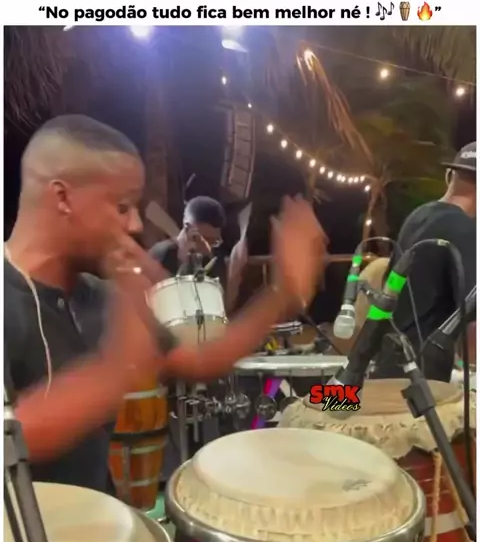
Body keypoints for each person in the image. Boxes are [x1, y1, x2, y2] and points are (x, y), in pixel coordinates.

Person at [4, 115, 326, 492]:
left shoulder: (98, 294)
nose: (136, 224)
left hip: (96, 520)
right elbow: (13, 437)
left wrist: (281, 295)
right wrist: (123, 363)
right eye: (122, 206)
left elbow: (198, 359)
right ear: (63, 197)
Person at [372, 142, 476, 382]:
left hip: (390, 365)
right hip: (421, 380)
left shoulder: (417, 216)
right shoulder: (464, 229)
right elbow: (472, 326)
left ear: (450, 176)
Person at [150, 195, 247, 313]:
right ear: (187, 229)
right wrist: (184, 262)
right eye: (203, 239)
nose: (207, 248)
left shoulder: (213, 257)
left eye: (214, 241)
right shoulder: (162, 254)